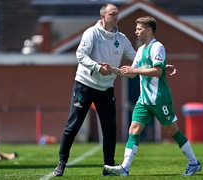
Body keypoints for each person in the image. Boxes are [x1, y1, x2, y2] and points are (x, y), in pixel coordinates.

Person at [53, 4, 176, 177]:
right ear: (103, 16)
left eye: (117, 14)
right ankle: (61, 163)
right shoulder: (92, 33)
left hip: (106, 88)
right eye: (113, 14)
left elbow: (138, 58)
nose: (116, 16)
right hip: (85, 84)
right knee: (73, 126)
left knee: (110, 129)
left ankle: (108, 166)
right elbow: (80, 55)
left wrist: (162, 64)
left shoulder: (122, 38)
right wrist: (97, 67)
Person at [104, 16, 201, 176]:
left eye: (139, 28)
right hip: (144, 100)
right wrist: (112, 69)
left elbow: (158, 71)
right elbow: (131, 74)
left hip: (159, 98)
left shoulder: (158, 47)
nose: (136, 31)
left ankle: (194, 163)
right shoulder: (141, 50)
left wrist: (135, 70)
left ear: (148, 30)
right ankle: (124, 168)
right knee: (133, 129)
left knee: (172, 131)